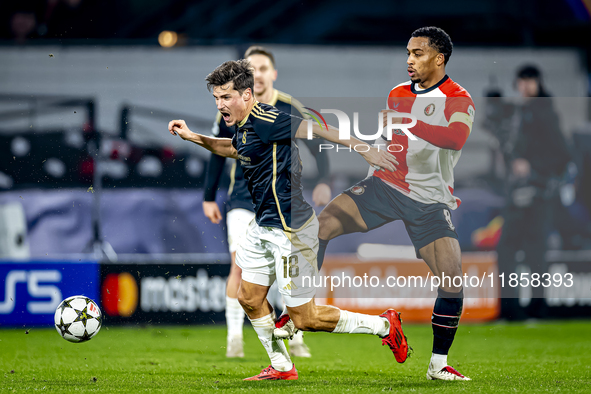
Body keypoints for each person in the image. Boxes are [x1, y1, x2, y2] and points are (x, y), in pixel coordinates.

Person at [168, 59, 408, 381]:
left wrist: (363, 148)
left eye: (226, 97)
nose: (220, 104)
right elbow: (233, 148)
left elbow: (318, 129)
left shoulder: (269, 118)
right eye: (216, 98)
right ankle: (281, 366)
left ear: (248, 94)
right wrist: (193, 137)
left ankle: (384, 325)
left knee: (304, 317)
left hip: (291, 230)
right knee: (248, 297)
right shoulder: (242, 126)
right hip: (262, 226)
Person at [309, 27, 474, 381]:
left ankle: (438, 365)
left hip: (429, 200)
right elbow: (391, 137)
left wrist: (411, 121)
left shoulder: (458, 98)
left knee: (452, 282)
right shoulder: (397, 93)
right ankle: (299, 311)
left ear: (439, 58)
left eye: (417, 53)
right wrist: (377, 157)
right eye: (408, 53)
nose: (409, 60)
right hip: (386, 186)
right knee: (321, 226)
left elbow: (456, 137)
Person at [202, 46, 331, 358]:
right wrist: (208, 196)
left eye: (262, 68)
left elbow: (317, 141)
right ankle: (235, 338)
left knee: (280, 275)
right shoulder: (230, 107)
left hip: (280, 204)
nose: (257, 73)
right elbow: (220, 152)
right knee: (240, 266)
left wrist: (324, 180)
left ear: (272, 74)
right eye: (252, 68)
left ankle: (295, 332)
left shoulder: (287, 106)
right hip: (242, 200)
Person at [493, 65, 570, 319]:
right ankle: (512, 310)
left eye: (529, 81)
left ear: (538, 83)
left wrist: (532, 166)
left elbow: (562, 155)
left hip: (539, 193)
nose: (524, 87)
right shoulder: (519, 113)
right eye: (521, 82)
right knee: (508, 250)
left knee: (534, 251)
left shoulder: (545, 113)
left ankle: (536, 309)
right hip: (518, 193)